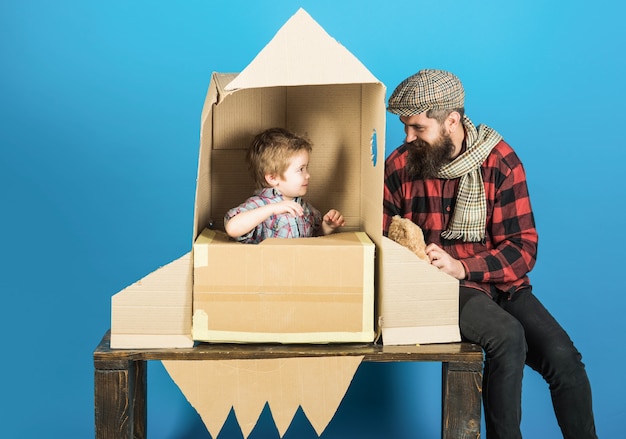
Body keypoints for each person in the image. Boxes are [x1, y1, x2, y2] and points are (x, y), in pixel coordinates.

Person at [383, 69, 597, 438]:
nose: (407, 137)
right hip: (441, 287)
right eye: (405, 127)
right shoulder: (400, 165)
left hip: (497, 281)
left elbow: (523, 248)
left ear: (451, 120)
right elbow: (381, 231)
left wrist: (463, 266)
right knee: (507, 337)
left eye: (418, 128)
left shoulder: (500, 160)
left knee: (565, 360)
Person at [225, 127, 345, 243]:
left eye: (306, 168)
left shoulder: (307, 210)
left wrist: (327, 227)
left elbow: (313, 240)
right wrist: (271, 209)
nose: (308, 175)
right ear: (273, 178)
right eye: (300, 169)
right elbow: (232, 228)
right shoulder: (259, 205)